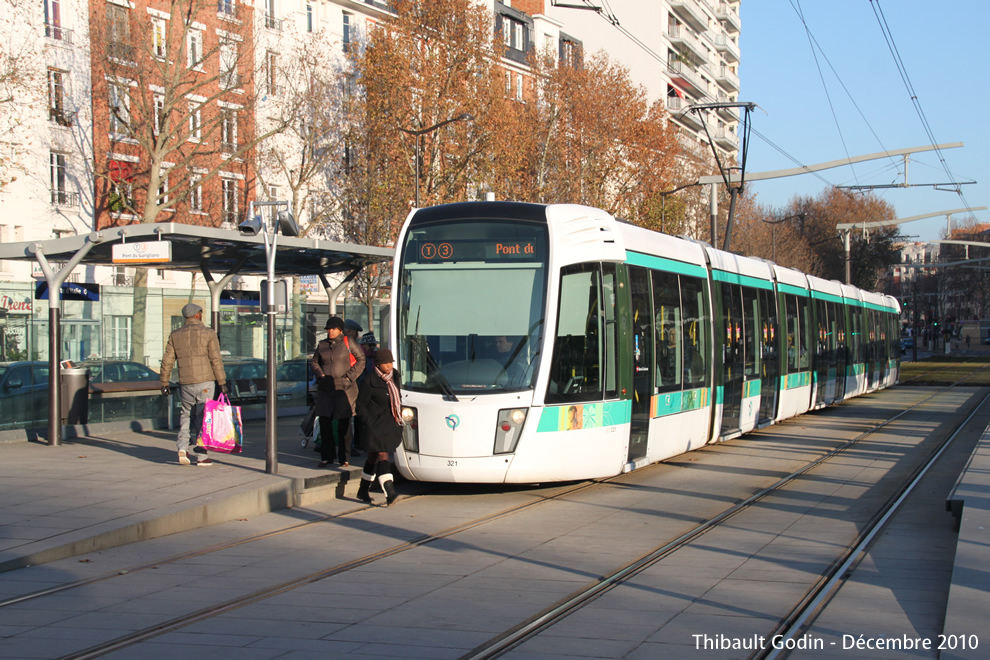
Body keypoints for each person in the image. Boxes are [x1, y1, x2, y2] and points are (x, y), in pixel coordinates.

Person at [160, 303, 227, 467]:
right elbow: (215, 359)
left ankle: (182, 448)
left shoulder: (175, 335)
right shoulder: (208, 333)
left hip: (186, 383)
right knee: (204, 417)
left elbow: (167, 361)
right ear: (197, 315)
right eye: (201, 313)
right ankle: (202, 456)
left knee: (185, 414)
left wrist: (164, 381)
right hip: (205, 381)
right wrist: (222, 382)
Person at [311, 316, 365, 468]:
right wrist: (320, 375)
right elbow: (315, 362)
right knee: (325, 422)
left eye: (333, 329)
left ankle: (344, 457)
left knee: (344, 424)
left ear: (340, 330)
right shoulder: (322, 345)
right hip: (326, 389)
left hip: (344, 389)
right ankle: (326, 456)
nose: (330, 332)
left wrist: (350, 377)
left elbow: (361, 359)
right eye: (328, 329)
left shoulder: (348, 343)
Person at [355, 348, 403, 506]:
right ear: (377, 364)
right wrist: (368, 420)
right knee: (383, 455)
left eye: (390, 362)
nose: (389, 366)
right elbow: (361, 405)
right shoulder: (369, 381)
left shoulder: (394, 377)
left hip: (389, 425)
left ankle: (363, 490)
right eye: (385, 363)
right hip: (374, 426)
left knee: (372, 457)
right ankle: (390, 492)